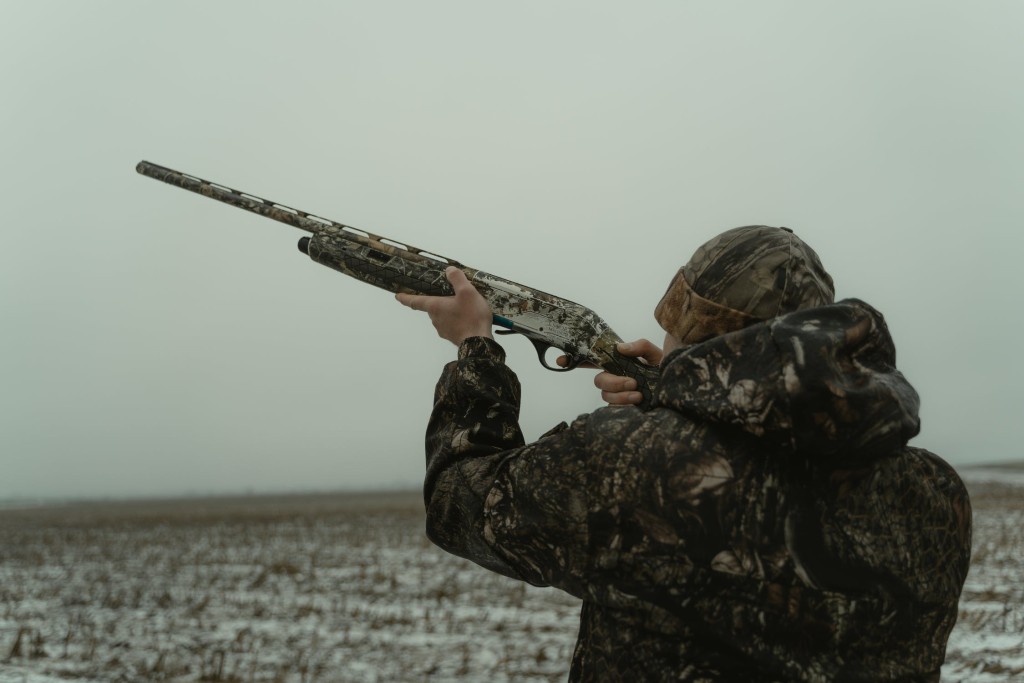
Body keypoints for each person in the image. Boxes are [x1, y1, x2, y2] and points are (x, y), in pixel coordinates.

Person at [396, 225, 972, 682]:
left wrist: (475, 348)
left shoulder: (632, 461)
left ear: (686, 319)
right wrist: (686, 394)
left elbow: (458, 500)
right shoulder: (935, 493)